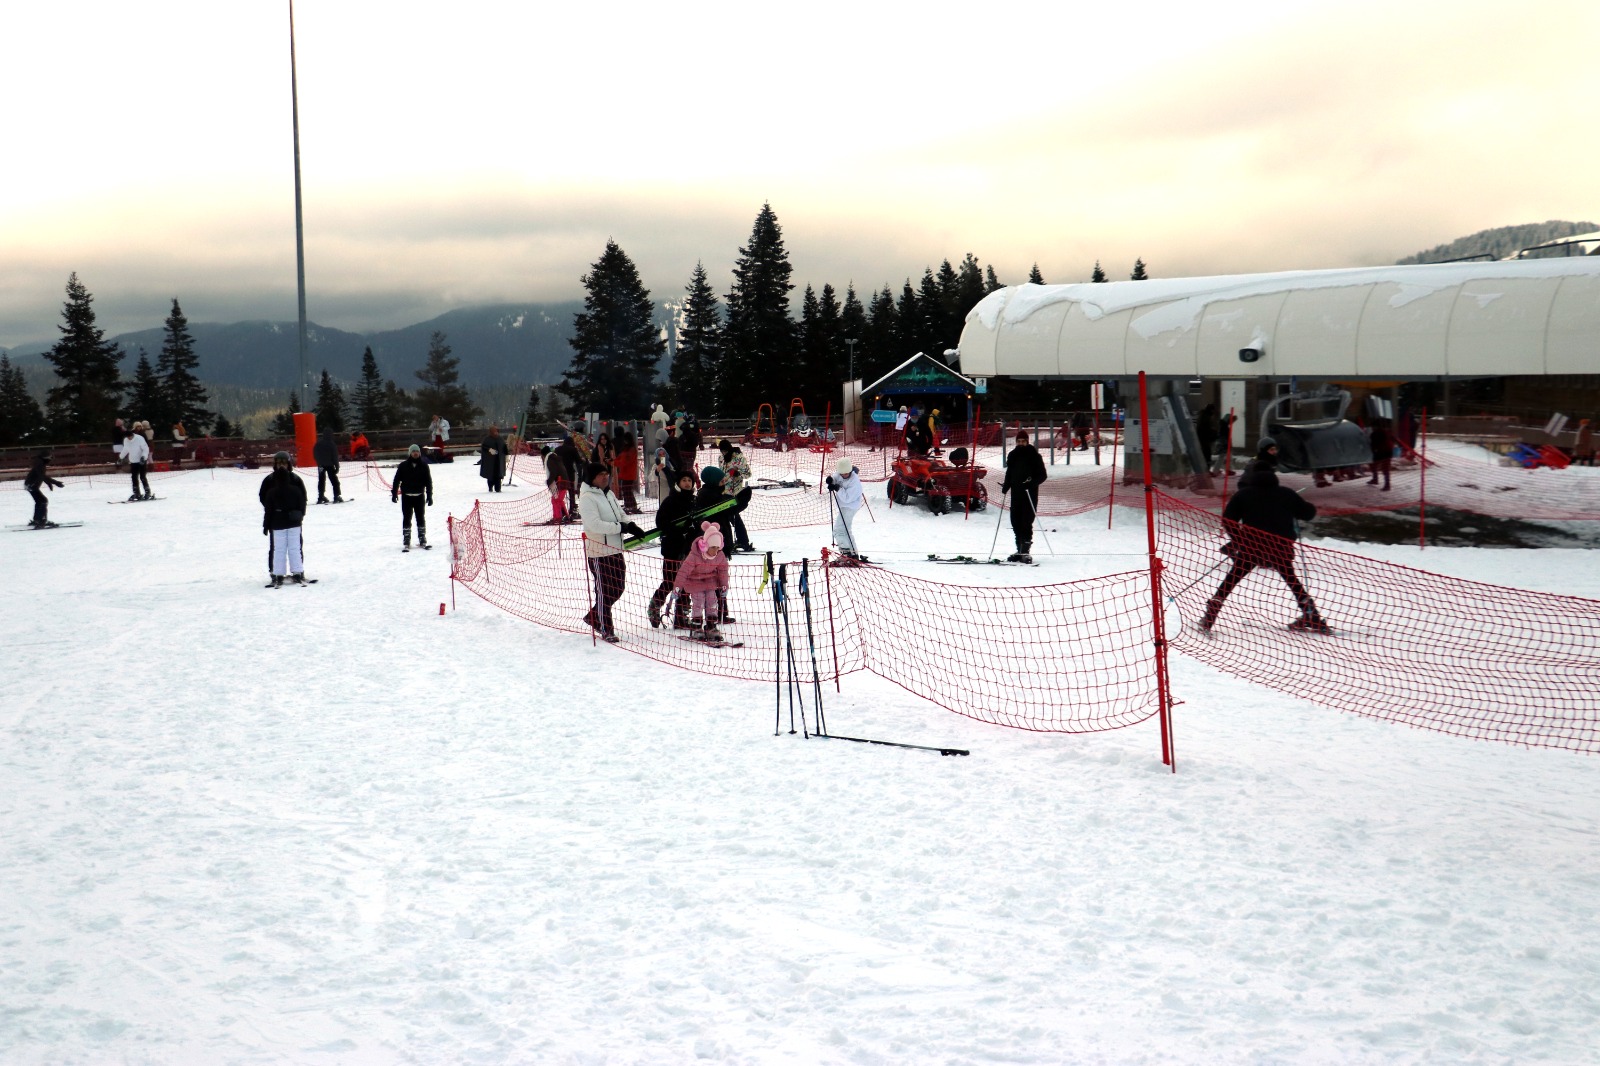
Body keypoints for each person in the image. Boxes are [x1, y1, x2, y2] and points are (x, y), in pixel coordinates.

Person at [1199, 436, 1329, 634]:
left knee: (1231, 579)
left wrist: (1239, 540)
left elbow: (1227, 520)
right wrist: (1305, 505)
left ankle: (1210, 615)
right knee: (1292, 580)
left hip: (1252, 546)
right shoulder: (1286, 493)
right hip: (1281, 547)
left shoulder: (1243, 495)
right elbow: (1308, 513)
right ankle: (1312, 615)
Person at [578, 463, 646, 643]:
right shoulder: (587, 498)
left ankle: (594, 616)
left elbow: (621, 514)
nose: (605, 477)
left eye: (606, 474)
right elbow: (594, 524)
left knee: (618, 588)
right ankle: (606, 628)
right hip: (599, 552)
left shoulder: (609, 493)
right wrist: (620, 528)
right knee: (604, 592)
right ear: (592, 478)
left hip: (615, 549)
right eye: (601, 475)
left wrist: (630, 525)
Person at [648, 469, 699, 629]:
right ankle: (654, 607)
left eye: (689, 481)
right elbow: (661, 522)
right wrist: (678, 530)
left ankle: (681, 616)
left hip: (690, 549)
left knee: (687, 582)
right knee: (670, 581)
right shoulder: (670, 501)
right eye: (684, 480)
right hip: (672, 547)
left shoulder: (694, 501)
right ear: (678, 483)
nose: (687, 483)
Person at [693, 466, 737, 622]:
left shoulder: (715, 494)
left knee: (720, 578)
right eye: (721, 480)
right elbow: (728, 508)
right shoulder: (710, 496)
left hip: (718, 541)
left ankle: (721, 612)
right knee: (717, 578)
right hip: (713, 544)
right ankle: (716, 613)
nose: (723, 482)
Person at [259, 450, 309, 586]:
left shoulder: (295, 479)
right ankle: (274, 570)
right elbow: (263, 497)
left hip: (292, 519)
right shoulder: (269, 480)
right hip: (276, 518)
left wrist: (299, 514)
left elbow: (303, 499)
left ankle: (298, 570)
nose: (282, 466)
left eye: (284, 463)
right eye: (279, 463)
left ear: (289, 463)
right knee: (276, 547)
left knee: (296, 545)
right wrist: (274, 509)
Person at [674, 521, 730, 642]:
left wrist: (724, 585)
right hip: (694, 581)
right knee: (698, 601)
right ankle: (696, 627)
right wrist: (677, 588)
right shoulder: (694, 555)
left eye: (717, 547)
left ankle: (711, 626)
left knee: (711, 600)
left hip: (710, 580)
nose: (715, 551)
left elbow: (723, 570)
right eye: (712, 547)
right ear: (705, 546)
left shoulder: (719, 555)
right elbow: (683, 572)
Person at [1000, 429, 1048, 563]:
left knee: (1026, 522)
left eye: (1023, 441)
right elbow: (1009, 472)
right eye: (1019, 441)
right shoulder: (1013, 455)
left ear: (1027, 442)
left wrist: (1031, 483)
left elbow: (1042, 475)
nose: (1021, 444)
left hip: (1029, 494)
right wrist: (1006, 485)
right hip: (1016, 493)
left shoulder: (1034, 455)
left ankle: (1025, 551)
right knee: (1015, 521)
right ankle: (1019, 549)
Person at [391, 443, 434, 550]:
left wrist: (429, 495)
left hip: (419, 496)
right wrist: (394, 493)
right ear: (410, 453)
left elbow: (428, 482)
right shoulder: (403, 465)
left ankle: (422, 539)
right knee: (407, 518)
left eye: (417, 451)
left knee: (420, 518)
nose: (415, 453)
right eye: (413, 451)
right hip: (407, 496)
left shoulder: (424, 466)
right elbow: (396, 480)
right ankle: (406, 540)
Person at [717, 438, 756, 553]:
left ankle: (741, 540)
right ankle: (740, 539)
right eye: (722, 451)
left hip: (736, 491)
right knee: (731, 516)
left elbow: (748, 474)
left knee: (733, 516)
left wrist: (738, 473)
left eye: (725, 451)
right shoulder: (720, 458)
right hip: (724, 491)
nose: (724, 453)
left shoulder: (738, 458)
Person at [825, 456, 865, 560]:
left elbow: (847, 498)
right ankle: (853, 554)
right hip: (844, 506)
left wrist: (838, 488)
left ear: (850, 470)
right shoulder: (840, 473)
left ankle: (846, 555)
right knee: (845, 529)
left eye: (846, 473)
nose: (844, 475)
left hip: (850, 506)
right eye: (842, 473)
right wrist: (831, 480)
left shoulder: (854, 481)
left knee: (839, 530)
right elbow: (835, 478)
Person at [24, 452, 65, 528]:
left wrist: (49, 483)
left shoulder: (40, 463)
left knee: (40, 501)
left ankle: (37, 519)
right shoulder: (40, 465)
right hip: (32, 485)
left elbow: (41, 476)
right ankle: (41, 520)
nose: (50, 460)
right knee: (43, 501)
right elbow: (42, 475)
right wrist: (55, 482)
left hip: (30, 485)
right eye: (49, 458)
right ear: (45, 458)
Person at [614, 425, 642, 513]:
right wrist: (614, 461)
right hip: (625, 473)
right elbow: (620, 458)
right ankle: (629, 505)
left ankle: (631, 505)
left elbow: (625, 461)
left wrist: (615, 463)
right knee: (626, 490)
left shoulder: (631, 449)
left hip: (628, 473)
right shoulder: (626, 449)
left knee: (627, 490)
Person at [123, 424, 153, 501]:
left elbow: (145, 449)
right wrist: (121, 457)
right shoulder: (126, 440)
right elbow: (125, 449)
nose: (129, 438)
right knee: (134, 477)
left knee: (142, 477)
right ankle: (136, 493)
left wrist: (143, 457)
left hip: (141, 460)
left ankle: (147, 492)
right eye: (128, 437)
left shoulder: (139, 438)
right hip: (133, 461)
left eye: (130, 437)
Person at [541, 444, 570, 524]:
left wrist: (549, 481)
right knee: (558, 500)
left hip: (560, 483)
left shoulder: (550, 460)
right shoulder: (555, 458)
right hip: (563, 482)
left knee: (556, 500)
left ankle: (558, 517)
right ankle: (564, 516)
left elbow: (553, 472)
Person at [313, 428, 343, 503]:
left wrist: (319, 462)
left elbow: (315, 454)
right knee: (334, 481)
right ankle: (336, 496)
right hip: (330, 465)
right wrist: (337, 466)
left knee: (321, 480)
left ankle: (320, 496)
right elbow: (335, 456)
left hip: (321, 465)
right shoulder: (331, 444)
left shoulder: (318, 443)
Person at [1367, 417, 1394, 490]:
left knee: (1380, 467)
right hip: (1388, 451)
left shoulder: (1375, 434)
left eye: (1373, 426)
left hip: (1381, 452)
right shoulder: (1388, 432)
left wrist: (1373, 451)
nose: (1372, 428)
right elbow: (1393, 440)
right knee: (1383, 467)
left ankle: (1386, 484)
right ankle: (1378, 480)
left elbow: (1373, 445)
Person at [479, 425, 506, 492]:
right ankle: (490, 487)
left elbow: (504, 447)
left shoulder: (500, 439)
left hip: (499, 460)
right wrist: (491, 450)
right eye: (494, 431)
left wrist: (506, 452)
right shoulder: (487, 439)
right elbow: (484, 448)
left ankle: (498, 488)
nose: (495, 432)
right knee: (490, 475)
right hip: (490, 461)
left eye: (496, 431)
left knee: (498, 475)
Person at [1196, 404, 1219, 469]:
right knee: (1206, 455)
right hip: (1204, 440)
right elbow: (1204, 429)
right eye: (1213, 410)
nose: (1214, 412)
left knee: (1206, 455)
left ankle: (1206, 469)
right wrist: (1213, 432)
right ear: (1211, 410)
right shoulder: (1205, 417)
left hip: (1204, 439)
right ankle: (1206, 470)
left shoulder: (1204, 416)